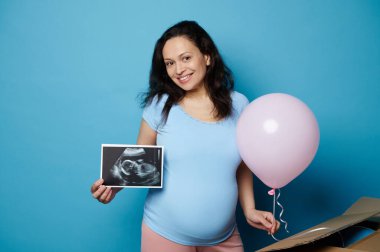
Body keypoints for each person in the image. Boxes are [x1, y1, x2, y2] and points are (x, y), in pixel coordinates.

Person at [91, 20, 280, 251]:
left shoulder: (239, 105)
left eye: (186, 58)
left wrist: (249, 209)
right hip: (163, 236)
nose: (178, 70)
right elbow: (140, 161)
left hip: (224, 237)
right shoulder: (159, 106)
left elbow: (243, 164)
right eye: (170, 63)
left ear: (207, 57)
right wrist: (113, 187)